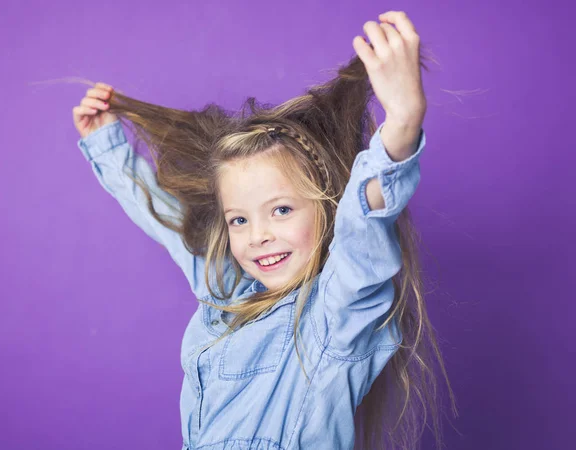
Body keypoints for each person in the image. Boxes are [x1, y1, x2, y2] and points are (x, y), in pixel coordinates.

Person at [72, 11, 456, 450]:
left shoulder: (336, 316)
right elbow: (172, 227)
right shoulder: (227, 297)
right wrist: (107, 146)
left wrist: (402, 123)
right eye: (240, 219)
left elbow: (363, 220)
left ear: (328, 210)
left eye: (281, 210)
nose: (257, 235)